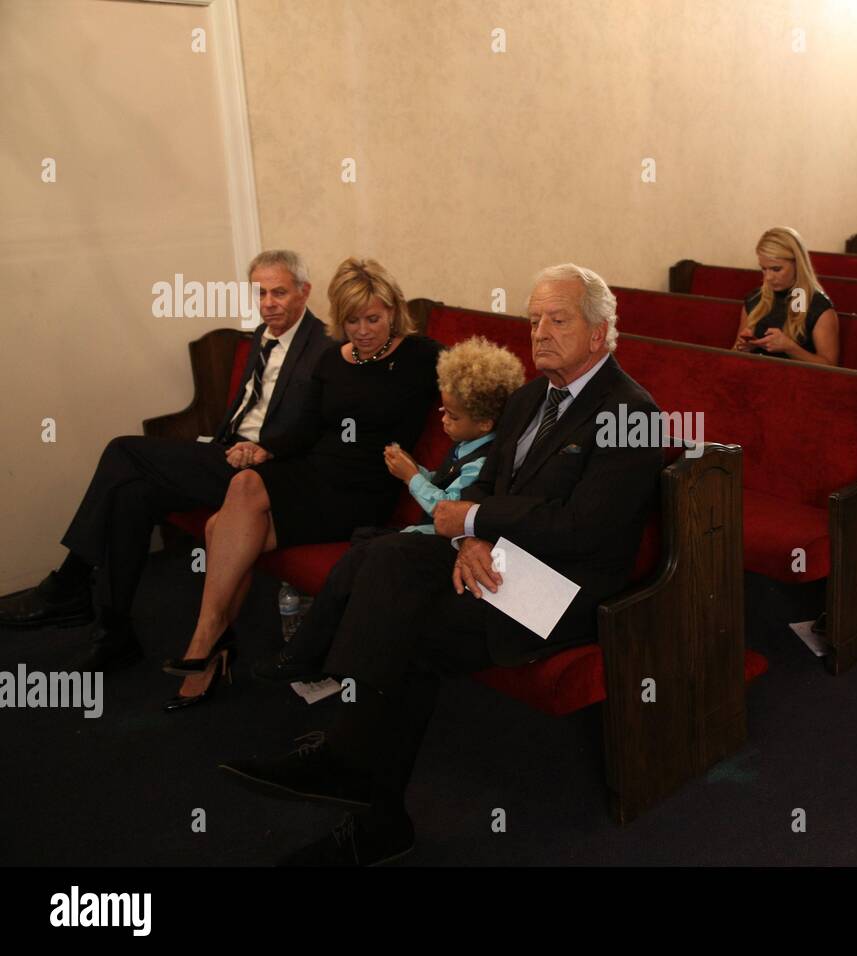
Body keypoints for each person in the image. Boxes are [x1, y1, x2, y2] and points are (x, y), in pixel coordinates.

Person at [217, 264, 664, 865]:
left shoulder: (632, 414)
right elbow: (491, 487)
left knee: (409, 629)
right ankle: (355, 773)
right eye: (533, 321)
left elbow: (587, 529)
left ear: (599, 331)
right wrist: (473, 537)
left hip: (564, 592)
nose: (540, 334)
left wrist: (478, 525)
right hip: (500, 562)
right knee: (386, 554)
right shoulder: (532, 396)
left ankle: (352, 771)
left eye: (558, 320)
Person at [0, 251, 332, 671]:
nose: (268, 302)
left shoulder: (325, 346)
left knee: (123, 450)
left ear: (304, 291)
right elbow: (247, 409)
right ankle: (114, 631)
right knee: (132, 495)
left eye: (279, 292)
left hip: (265, 472)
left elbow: (322, 428)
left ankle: (69, 583)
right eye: (260, 292)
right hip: (225, 453)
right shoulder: (259, 338)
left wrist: (267, 449)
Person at [160, 258, 442, 711]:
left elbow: (476, 385)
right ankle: (211, 645)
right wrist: (265, 448)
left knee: (232, 512)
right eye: (352, 319)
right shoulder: (334, 358)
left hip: (363, 489)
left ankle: (205, 644)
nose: (363, 330)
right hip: (314, 470)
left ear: (393, 309)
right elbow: (307, 428)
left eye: (374, 317)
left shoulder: (422, 356)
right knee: (233, 506)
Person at [254, 335, 526, 682]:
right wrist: (420, 470)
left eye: (453, 416)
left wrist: (411, 477)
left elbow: (448, 509)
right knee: (355, 560)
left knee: (361, 560)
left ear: (486, 423)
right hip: (420, 534)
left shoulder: (484, 459)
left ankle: (319, 660)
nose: (443, 421)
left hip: (444, 544)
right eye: (442, 411)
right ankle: (312, 654)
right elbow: (444, 482)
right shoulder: (465, 443)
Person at [733, 226, 840, 365]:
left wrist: (790, 348)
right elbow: (733, 354)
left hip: (799, 381)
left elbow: (831, 368)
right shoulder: (755, 299)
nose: (768, 278)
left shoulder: (818, 307)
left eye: (776, 269)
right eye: (764, 269)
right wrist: (744, 347)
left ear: (797, 264)